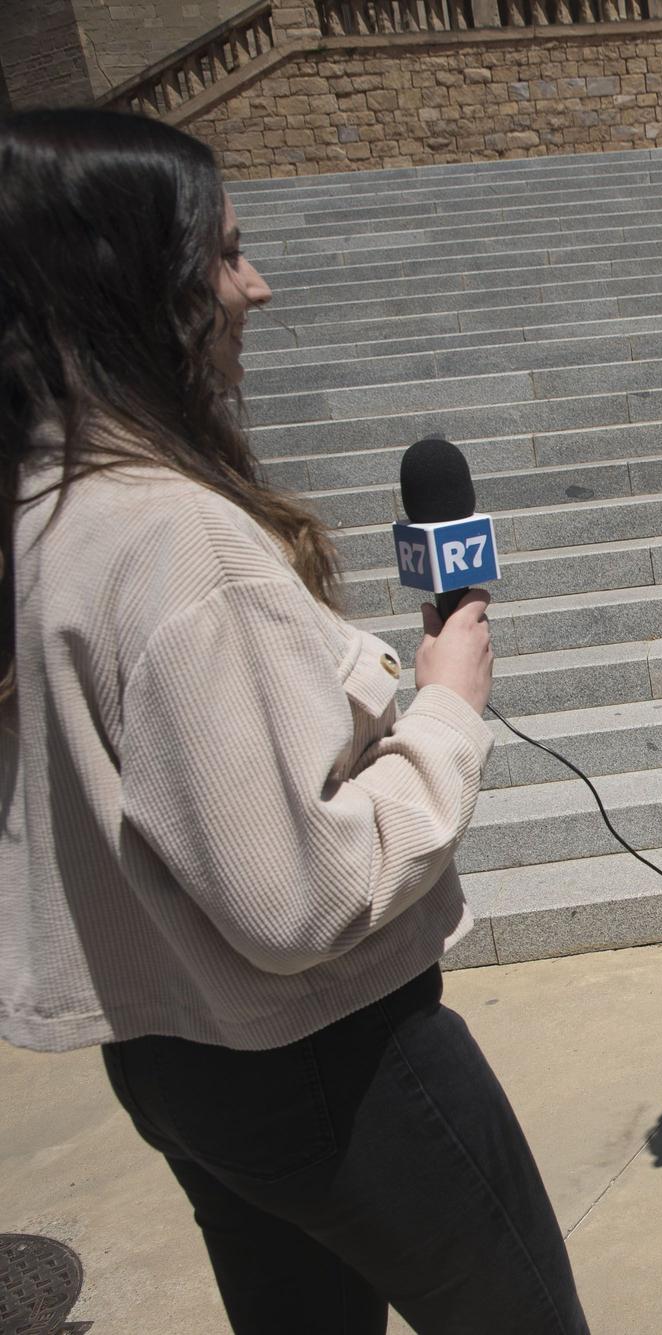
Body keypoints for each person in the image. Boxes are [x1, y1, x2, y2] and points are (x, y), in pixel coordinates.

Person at [0, 109, 587, 1335]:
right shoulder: (171, 538)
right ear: (130, 288)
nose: (254, 287)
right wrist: (444, 710)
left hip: (171, 1059)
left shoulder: (47, 509)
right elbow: (301, 899)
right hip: (334, 1063)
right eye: (222, 254)